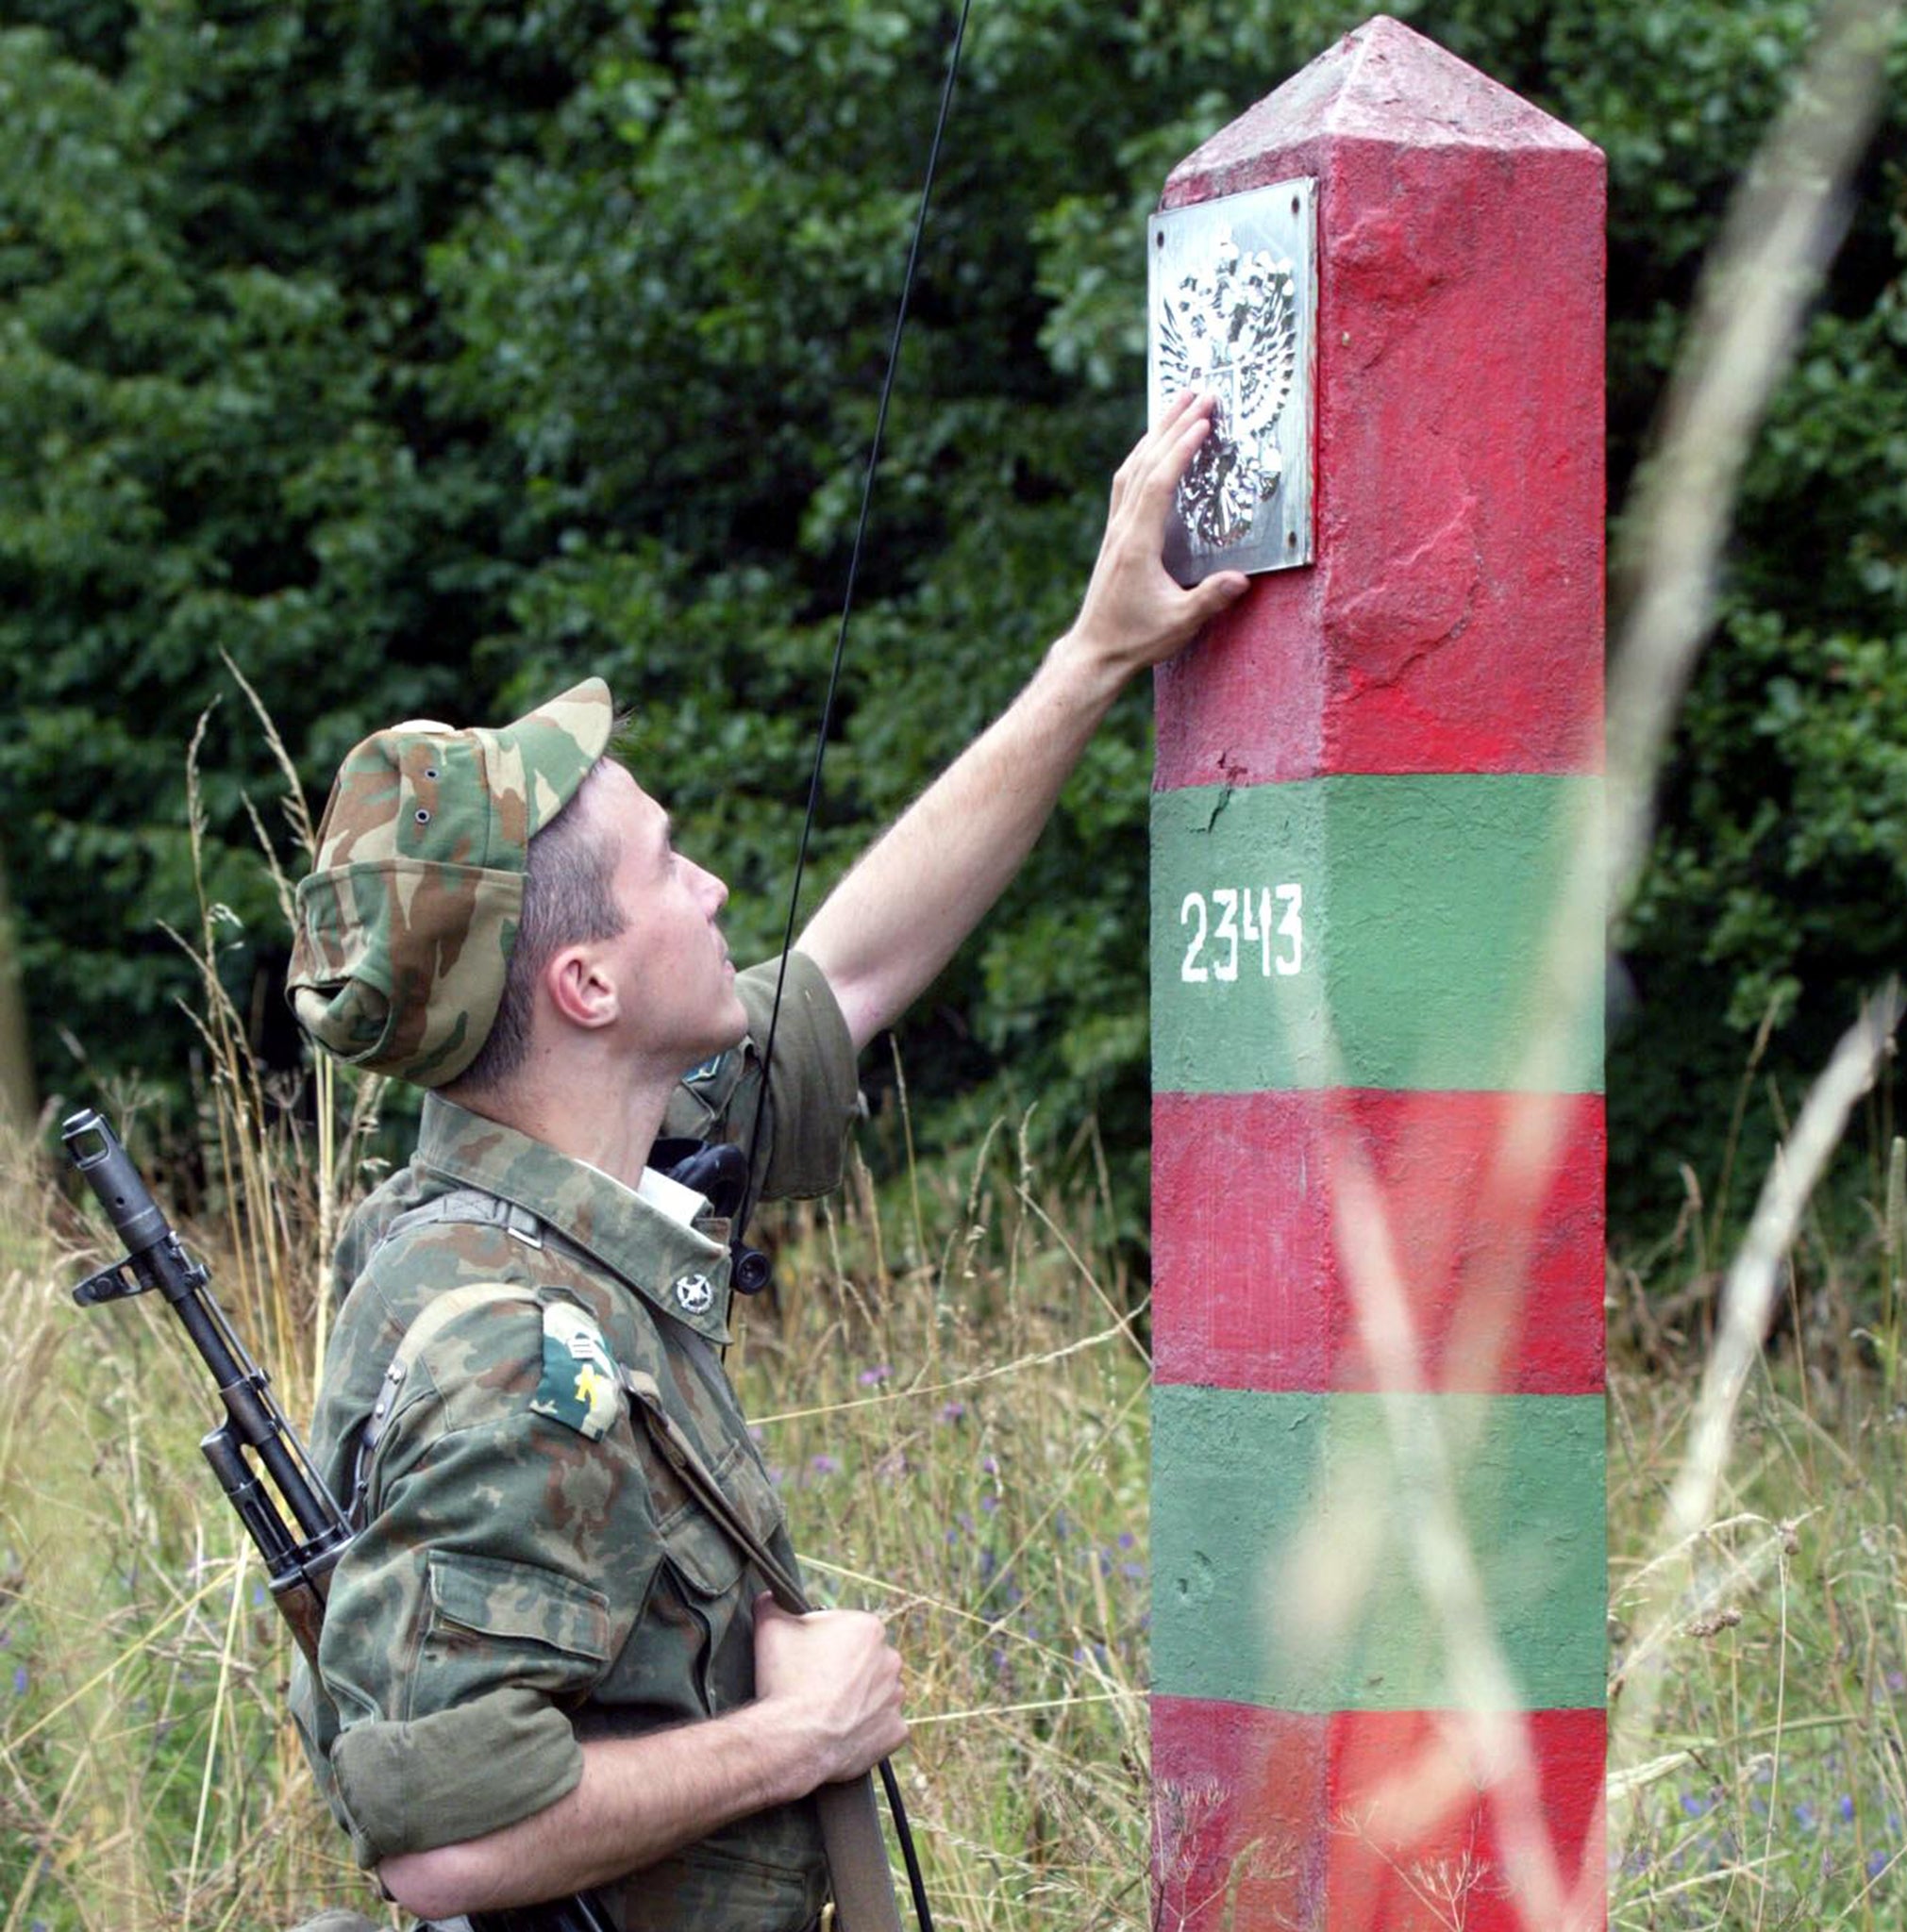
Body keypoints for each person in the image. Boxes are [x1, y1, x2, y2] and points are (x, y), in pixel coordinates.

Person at [283, 391, 1246, 1929]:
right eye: (670, 864)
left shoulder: (567, 1172)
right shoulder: (509, 1347)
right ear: (585, 988)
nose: (716, 880)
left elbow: (852, 974)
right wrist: (798, 1735)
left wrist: (1096, 658)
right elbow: (443, 1839)